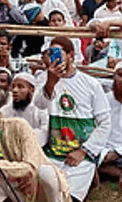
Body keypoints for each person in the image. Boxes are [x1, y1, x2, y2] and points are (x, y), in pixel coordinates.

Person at [34, 37, 111, 201]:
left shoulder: (90, 84)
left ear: (71, 55)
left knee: (70, 197)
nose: (55, 57)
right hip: (53, 154)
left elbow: (105, 122)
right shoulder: (44, 80)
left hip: (81, 157)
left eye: (59, 53)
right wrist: (51, 82)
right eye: (51, 53)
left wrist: (84, 151)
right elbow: (40, 105)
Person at [0, 114, 70, 202]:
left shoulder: (19, 125)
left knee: (45, 172)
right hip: (18, 188)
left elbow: (30, 167)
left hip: (42, 186)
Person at [1, 72, 49, 146]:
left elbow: (43, 134)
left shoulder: (41, 110)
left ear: (32, 90)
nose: (15, 90)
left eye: (20, 87)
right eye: (13, 87)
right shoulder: (7, 109)